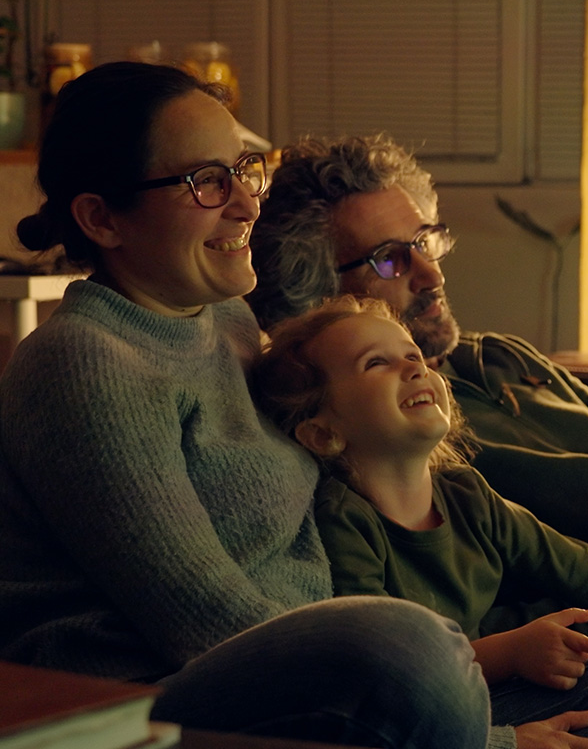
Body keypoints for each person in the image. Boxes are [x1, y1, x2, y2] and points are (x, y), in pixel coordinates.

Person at [0, 61, 503, 749]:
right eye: (205, 182)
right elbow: (198, 617)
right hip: (142, 701)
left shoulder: (227, 318)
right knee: (412, 648)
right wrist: (496, 727)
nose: (246, 202)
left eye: (244, 168)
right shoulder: (85, 362)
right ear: (102, 219)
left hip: (318, 670)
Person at [246, 133, 588, 628]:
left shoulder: (498, 356)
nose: (432, 273)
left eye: (425, 242)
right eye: (389, 260)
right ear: (323, 299)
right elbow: (474, 612)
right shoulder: (410, 434)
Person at [253, 293, 588, 719]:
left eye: (413, 357)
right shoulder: (344, 520)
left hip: (514, 661)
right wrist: (509, 654)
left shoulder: (467, 492)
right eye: (378, 364)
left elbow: (587, 569)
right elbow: (389, 662)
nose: (415, 369)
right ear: (322, 433)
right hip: (461, 700)